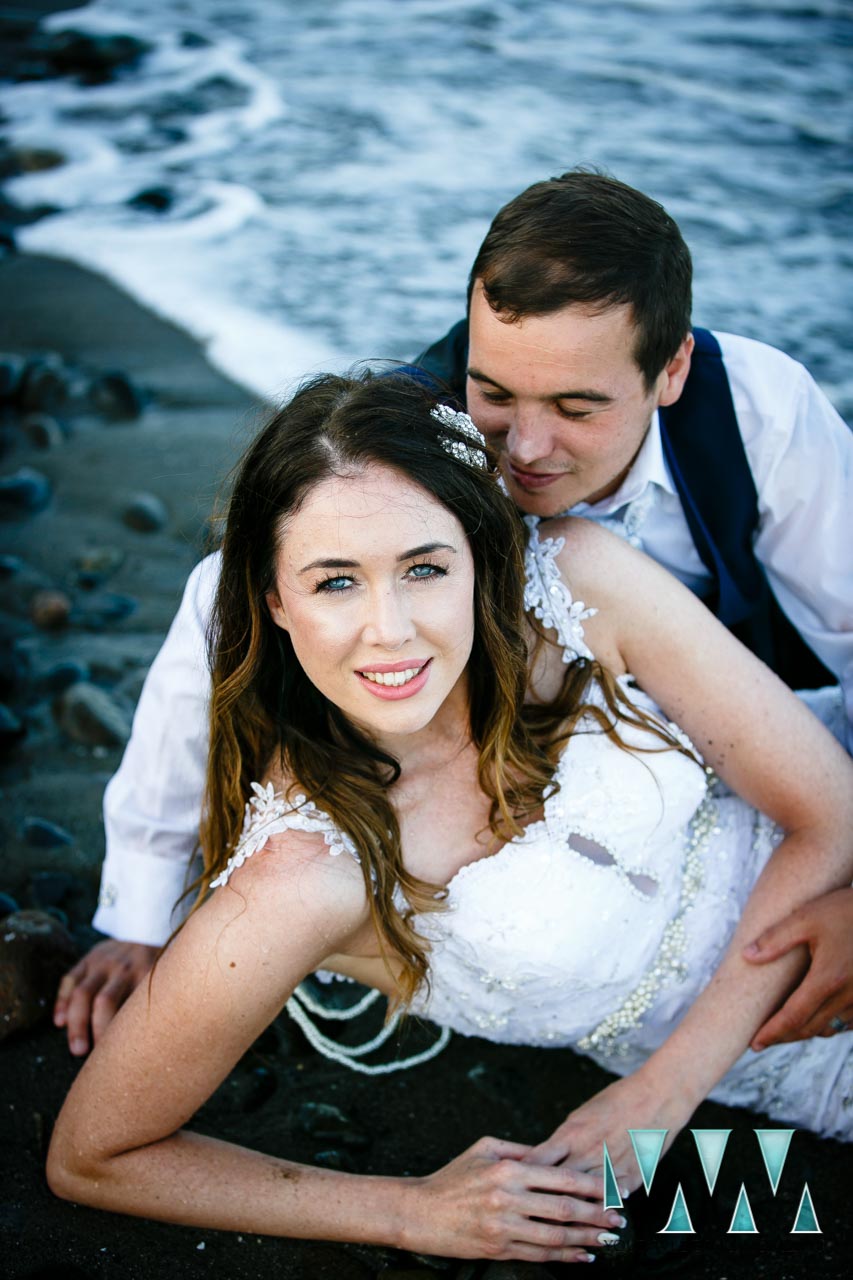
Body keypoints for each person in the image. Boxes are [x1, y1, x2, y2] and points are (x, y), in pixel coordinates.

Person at [47, 374, 853, 1265]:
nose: (388, 630)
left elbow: (830, 812)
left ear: (479, 556)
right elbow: (93, 1154)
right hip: (807, 1052)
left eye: (424, 568)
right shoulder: (305, 874)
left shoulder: (574, 586)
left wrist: (665, 1094)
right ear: (272, 599)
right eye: (335, 582)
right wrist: (405, 1210)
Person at [54, 168, 853, 1056]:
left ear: (669, 372)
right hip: (576, 784)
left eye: (577, 407)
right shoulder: (422, 437)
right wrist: (139, 911)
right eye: (497, 396)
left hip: (788, 758)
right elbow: (221, 604)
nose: (528, 449)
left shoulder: (755, 413)